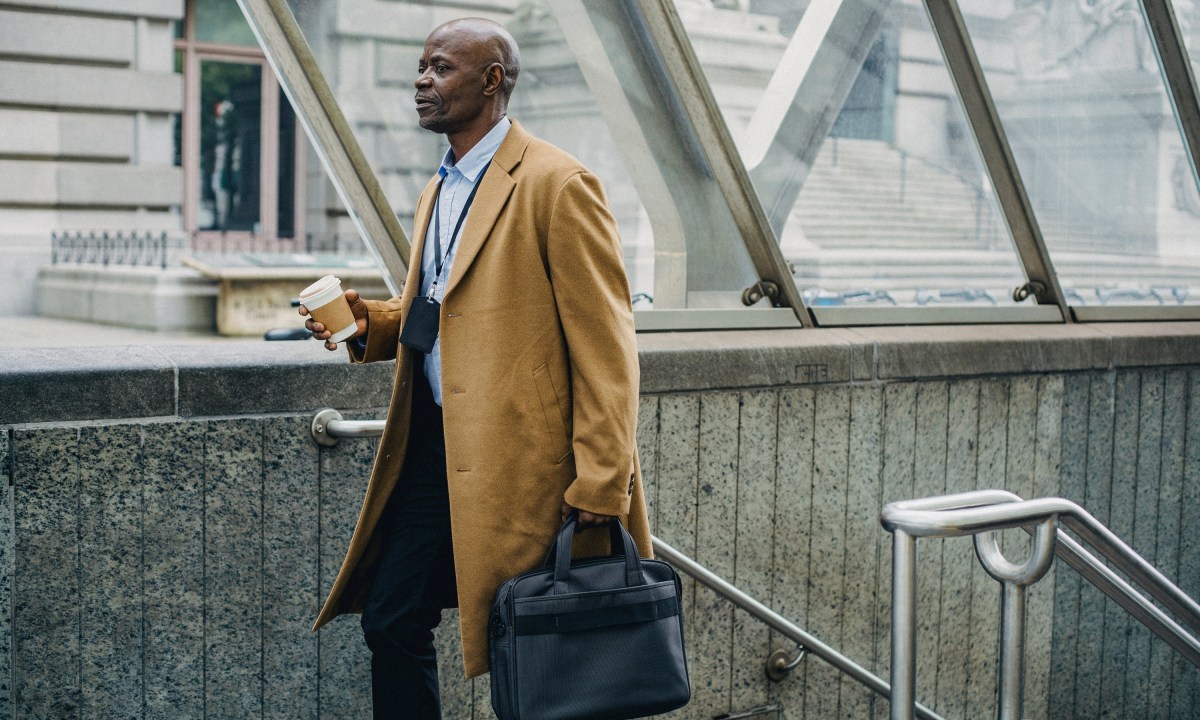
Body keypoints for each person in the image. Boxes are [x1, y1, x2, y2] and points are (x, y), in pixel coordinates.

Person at [301, 17, 652, 719]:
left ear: (492, 80)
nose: (420, 82)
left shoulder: (558, 184)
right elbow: (443, 305)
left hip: (531, 466)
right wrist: (372, 322)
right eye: (421, 67)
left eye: (440, 68)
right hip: (434, 449)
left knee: (532, 648)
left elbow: (608, 347)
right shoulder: (443, 185)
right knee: (391, 618)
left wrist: (603, 480)